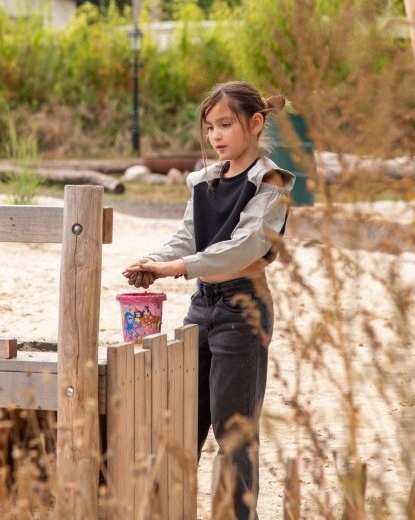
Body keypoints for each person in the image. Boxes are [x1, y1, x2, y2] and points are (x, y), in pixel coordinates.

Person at [123, 80, 294, 519]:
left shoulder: (271, 183)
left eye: (226, 124)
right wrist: (155, 260)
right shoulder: (204, 181)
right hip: (201, 306)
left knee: (233, 433)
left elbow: (245, 246)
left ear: (255, 124)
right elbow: (186, 237)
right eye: (210, 126)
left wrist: (176, 268)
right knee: (182, 421)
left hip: (243, 311)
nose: (216, 135)